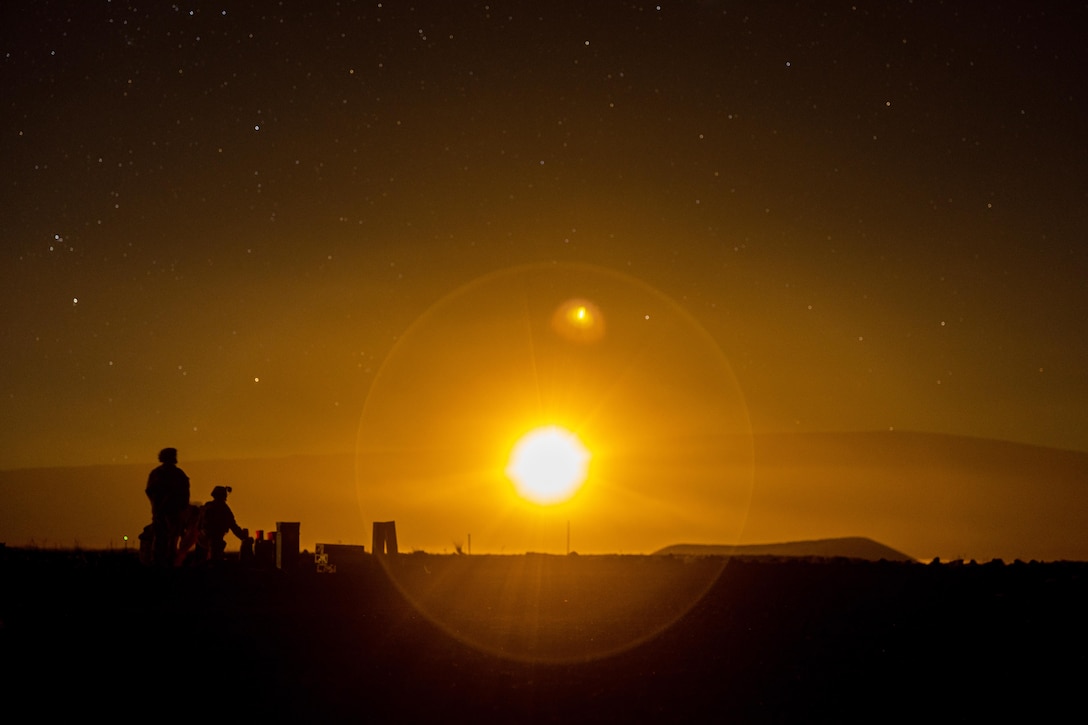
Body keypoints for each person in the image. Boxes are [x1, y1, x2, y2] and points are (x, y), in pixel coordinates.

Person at [144, 447, 190, 567]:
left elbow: (149, 491)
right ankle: (163, 562)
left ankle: (165, 562)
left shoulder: (159, 473)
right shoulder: (173, 474)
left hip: (170, 511)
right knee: (165, 538)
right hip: (167, 511)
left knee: (168, 538)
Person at [197, 486, 249, 561]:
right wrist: (243, 537)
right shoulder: (224, 509)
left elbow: (199, 523)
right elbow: (233, 526)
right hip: (213, 541)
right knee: (214, 561)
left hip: (202, 539)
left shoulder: (207, 506)